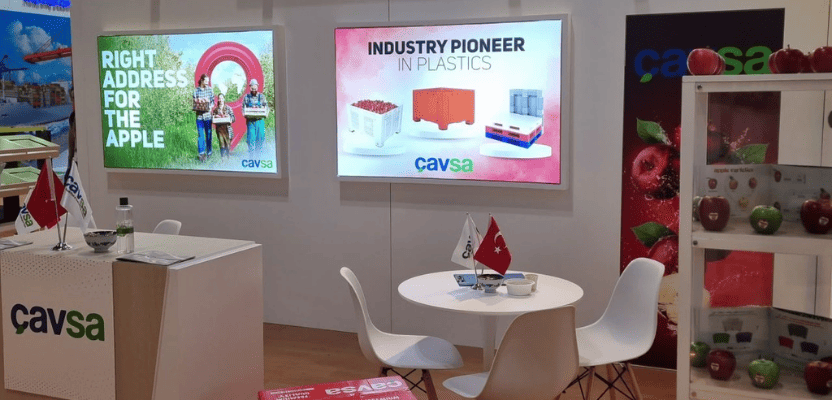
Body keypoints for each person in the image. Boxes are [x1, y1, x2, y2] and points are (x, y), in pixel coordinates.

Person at [243, 78, 268, 156]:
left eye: (255, 88)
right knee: (251, 140)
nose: (254, 90)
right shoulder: (246, 97)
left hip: (260, 121)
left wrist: (262, 109)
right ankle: (251, 157)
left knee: (260, 139)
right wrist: (247, 111)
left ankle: (259, 157)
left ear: (257, 86)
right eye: (252, 88)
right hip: (251, 122)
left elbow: (266, 107)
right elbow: (243, 109)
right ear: (250, 87)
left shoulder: (262, 97)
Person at [193, 74, 214, 162]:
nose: (207, 83)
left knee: (208, 134)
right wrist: (199, 102)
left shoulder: (210, 90)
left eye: (208, 81)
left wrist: (209, 107)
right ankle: (201, 154)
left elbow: (212, 102)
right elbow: (194, 103)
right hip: (199, 116)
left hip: (208, 116)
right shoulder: (196, 91)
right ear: (201, 80)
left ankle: (209, 152)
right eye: (205, 81)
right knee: (201, 135)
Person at [212, 93, 235, 158]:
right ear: (218, 100)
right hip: (220, 129)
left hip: (227, 129)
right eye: (219, 98)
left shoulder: (228, 108)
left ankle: (228, 158)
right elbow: (213, 118)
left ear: (224, 99)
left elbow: (233, 118)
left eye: (222, 98)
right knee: (222, 144)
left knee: (227, 144)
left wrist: (229, 117)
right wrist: (216, 116)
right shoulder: (216, 109)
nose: (221, 100)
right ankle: (222, 158)